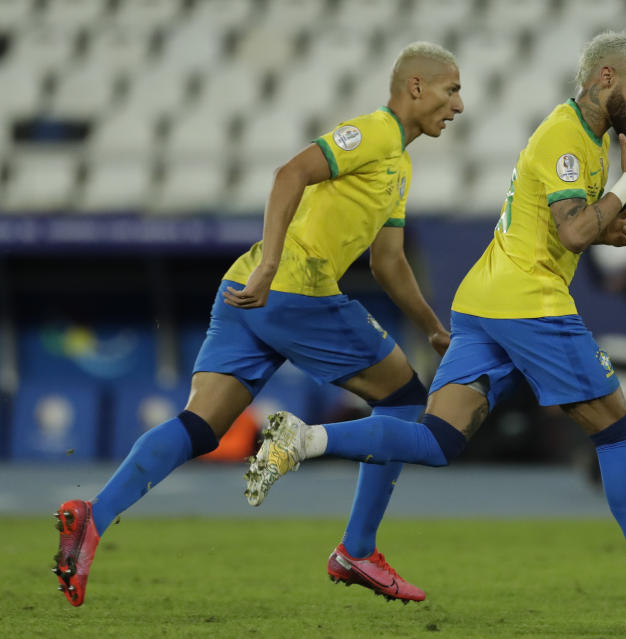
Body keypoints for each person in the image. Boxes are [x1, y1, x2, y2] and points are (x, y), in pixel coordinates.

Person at [245, 31, 626, 623]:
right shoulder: (567, 137)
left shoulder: (583, 136)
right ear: (606, 78)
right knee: (616, 430)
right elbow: (573, 234)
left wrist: (606, 225)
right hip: (528, 301)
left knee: (438, 440)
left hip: (483, 301)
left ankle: (305, 440)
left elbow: (567, 225)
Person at [52, 41, 464, 607]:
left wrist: (434, 329)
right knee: (402, 401)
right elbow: (289, 173)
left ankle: (92, 519)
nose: (459, 105)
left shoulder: (399, 164)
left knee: (202, 425)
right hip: (292, 289)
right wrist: (272, 265)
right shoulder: (375, 133)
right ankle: (356, 548)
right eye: (451, 90)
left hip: (242, 293)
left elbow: (387, 262)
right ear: (416, 87)